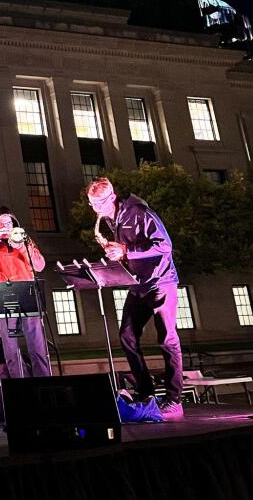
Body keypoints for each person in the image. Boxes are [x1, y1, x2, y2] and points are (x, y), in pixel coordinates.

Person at [87, 177, 183, 420]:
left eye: (98, 205)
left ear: (111, 198)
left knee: (167, 339)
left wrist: (127, 251)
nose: (95, 211)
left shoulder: (140, 212)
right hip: (138, 283)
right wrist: (117, 254)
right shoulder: (111, 218)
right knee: (127, 336)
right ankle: (146, 393)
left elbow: (165, 245)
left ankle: (174, 400)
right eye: (92, 205)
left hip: (161, 281)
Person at [0, 211, 51, 379]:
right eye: (1, 224)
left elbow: (40, 265)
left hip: (27, 293)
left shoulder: (25, 240)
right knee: (10, 345)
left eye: (8, 223)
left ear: (15, 226)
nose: (5, 227)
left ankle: (43, 380)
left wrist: (22, 246)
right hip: (3, 295)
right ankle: (19, 380)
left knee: (36, 342)